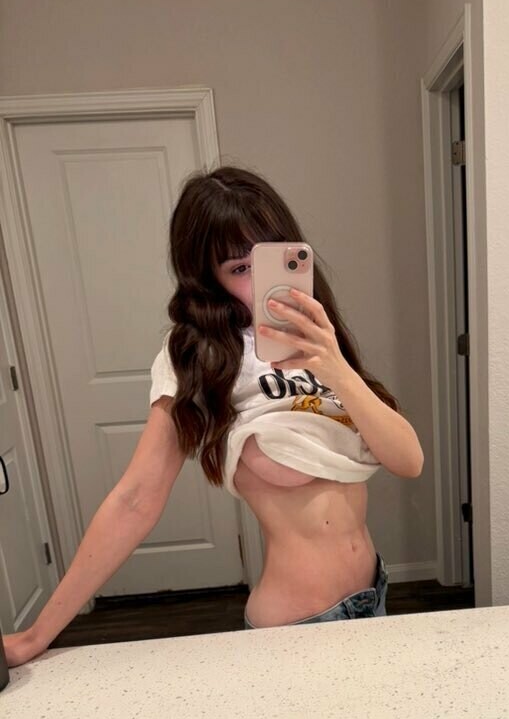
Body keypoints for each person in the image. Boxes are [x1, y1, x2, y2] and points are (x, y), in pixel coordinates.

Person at [3, 166, 423, 667]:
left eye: (271, 258)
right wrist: (36, 636)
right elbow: (135, 499)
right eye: (240, 268)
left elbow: (409, 460)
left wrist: (335, 366)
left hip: (374, 595)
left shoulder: (318, 340)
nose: (261, 282)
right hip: (299, 625)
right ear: (209, 278)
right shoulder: (200, 357)